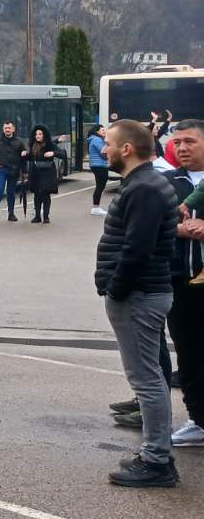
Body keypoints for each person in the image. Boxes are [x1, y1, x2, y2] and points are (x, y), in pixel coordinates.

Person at [94, 120, 179, 487]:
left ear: (127, 149)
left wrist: (116, 288)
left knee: (146, 380)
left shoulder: (143, 187)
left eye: (108, 143)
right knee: (149, 377)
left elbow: (137, 248)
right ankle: (154, 453)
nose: (103, 149)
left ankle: (158, 461)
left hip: (139, 295)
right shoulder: (145, 182)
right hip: (143, 293)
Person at [160, 123, 204, 448]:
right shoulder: (165, 182)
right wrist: (179, 230)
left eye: (190, 141)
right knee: (189, 354)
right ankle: (199, 420)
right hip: (180, 282)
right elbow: (153, 224)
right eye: (177, 142)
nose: (182, 147)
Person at [0, 121, 26, 223]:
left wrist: (24, 171)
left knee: (11, 193)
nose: (7, 130)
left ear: (13, 129)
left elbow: (24, 156)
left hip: (14, 170)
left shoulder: (19, 141)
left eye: (9, 128)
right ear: (3, 129)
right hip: (1, 170)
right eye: (5, 128)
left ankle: (11, 214)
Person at [25, 124, 62, 224]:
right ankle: (37, 216)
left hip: (47, 173)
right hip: (36, 173)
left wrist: (53, 153)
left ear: (44, 135)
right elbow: (31, 158)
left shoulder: (50, 145)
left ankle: (46, 216)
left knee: (45, 195)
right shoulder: (33, 145)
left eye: (40, 134)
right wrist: (25, 155)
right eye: (36, 134)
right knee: (37, 195)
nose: (37, 136)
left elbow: (62, 153)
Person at [88, 123, 110, 216]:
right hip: (99, 165)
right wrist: (108, 144)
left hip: (98, 165)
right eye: (102, 131)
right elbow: (104, 154)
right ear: (97, 132)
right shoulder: (97, 140)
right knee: (100, 187)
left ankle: (96, 207)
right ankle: (95, 208)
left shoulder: (95, 139)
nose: (105, 132)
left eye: (105, 130)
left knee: (100, 186)